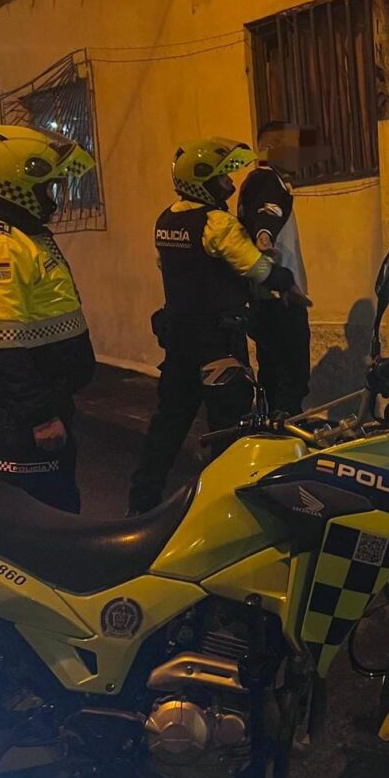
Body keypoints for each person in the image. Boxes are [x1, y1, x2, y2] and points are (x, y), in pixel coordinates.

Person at [127, 138, 296, 515]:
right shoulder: (217, 223)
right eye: (222, 178)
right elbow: (256, 268)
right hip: (219, 343)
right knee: (230, 427)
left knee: (168, 424)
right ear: (203, 181)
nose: (230, 185)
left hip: (180, 340)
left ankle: (141, 503)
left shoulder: (166, 218)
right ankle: (221, 510)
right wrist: (283, 278)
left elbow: (166, 267)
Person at [0, 124, 97, 512]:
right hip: (23, 413)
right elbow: (4, 347)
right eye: (45, 187)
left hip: (45, 394)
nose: (50, 198)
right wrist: (40, 417)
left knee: (59, 498)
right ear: (14, 185)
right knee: (38, 512)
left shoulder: (21, 234)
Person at [238, 122, 314, 416]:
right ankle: (285, 444)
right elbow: (268, 213)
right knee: (291, 380)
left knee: (272, 376)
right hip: (279, 299)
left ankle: (271, 434)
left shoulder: (256, 181)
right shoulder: (266, 180)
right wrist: (264, 235)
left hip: (265, 298)